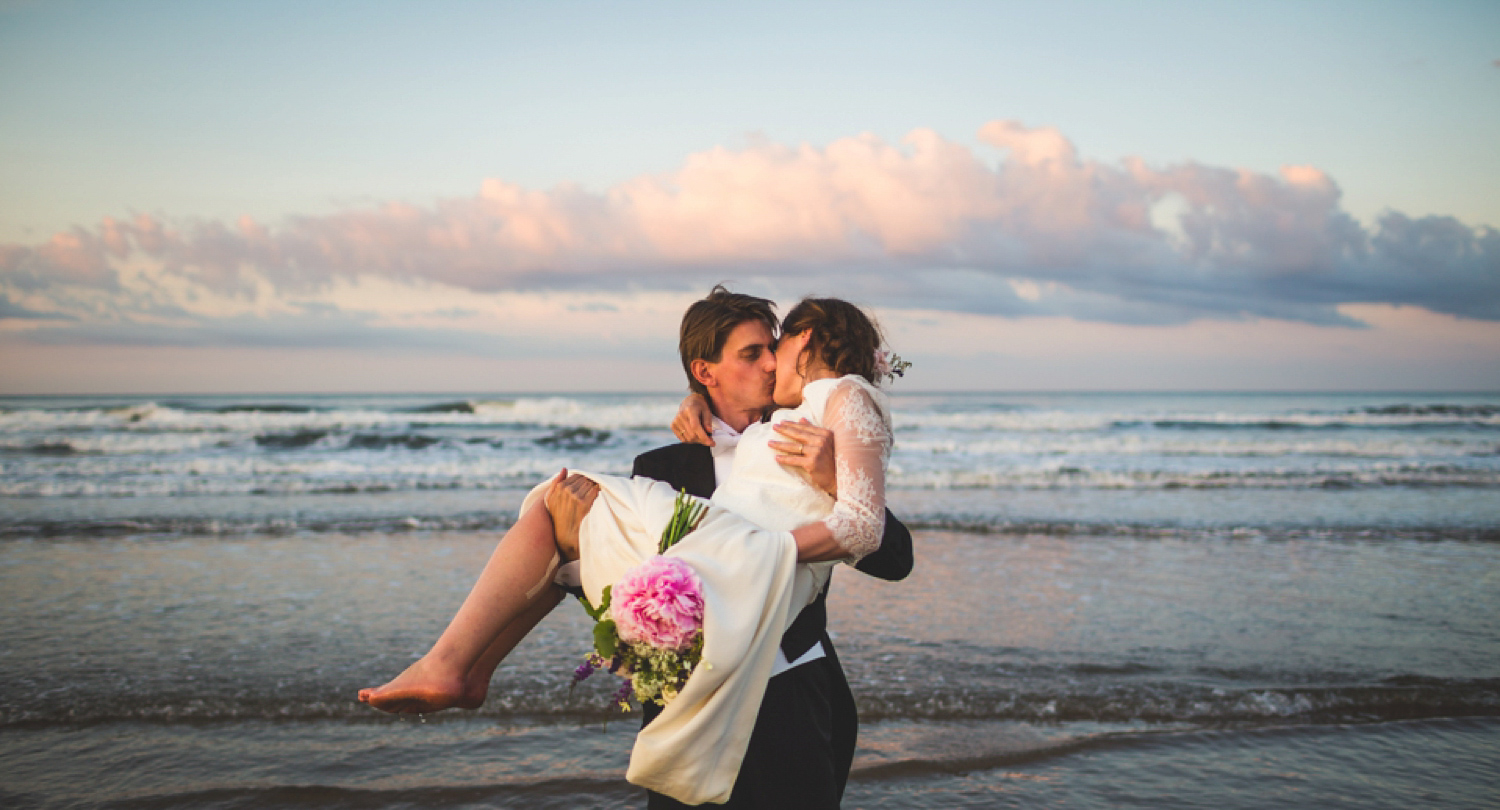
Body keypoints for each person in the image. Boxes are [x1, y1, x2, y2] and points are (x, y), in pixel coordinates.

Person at [358, 293, 907, 806]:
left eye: (773, 347)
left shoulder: (811, 429)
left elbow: (893, 554)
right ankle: (464, 668)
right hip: (685, 696)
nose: (769, 363)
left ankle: (455, 666)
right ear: (704, 373)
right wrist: (577, 548)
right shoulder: (663, 467)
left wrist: (832, 478)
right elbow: (639, 596)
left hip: (792, 693)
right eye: (752, 352)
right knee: (554, 505)